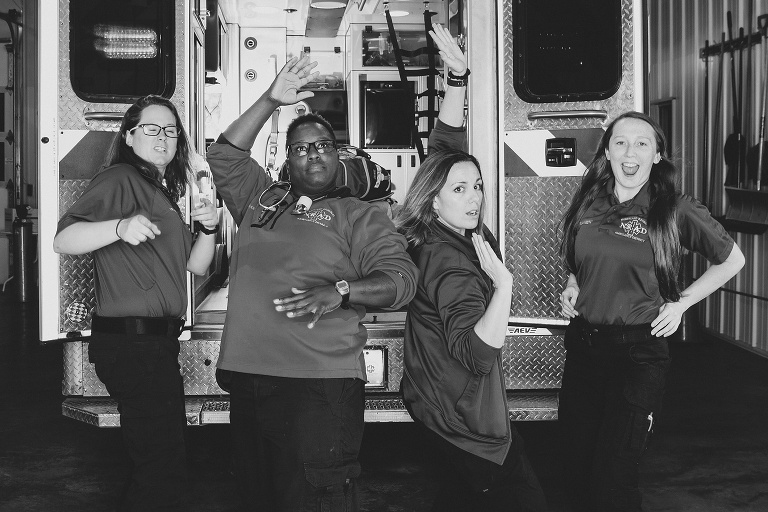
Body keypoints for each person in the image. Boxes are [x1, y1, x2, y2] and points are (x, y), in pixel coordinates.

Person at [205, 55, 418, 511]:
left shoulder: (358, 214)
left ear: (337, 153)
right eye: (300, 148)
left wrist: (340, 290)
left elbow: (400, 280)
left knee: (316, 500)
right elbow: (223, 155)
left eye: (322, 145)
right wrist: (269, 100)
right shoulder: (261, 199)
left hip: (318, 386)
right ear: (288, 159)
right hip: (249, 378)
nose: (313, 153)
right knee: (256, 498)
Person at [558, 111, 746, 511]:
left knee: (615, 474)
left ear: (657, 155)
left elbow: (733, 260)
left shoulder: (674, 209)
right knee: (573, 469)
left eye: (642, 144)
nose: (631, 153)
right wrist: (573, 283)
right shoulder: (589, 200)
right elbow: (577, 260)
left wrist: (681, 302)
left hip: (637, 355)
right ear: (607, 152)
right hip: (584, 349)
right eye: (621, 143)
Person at [395, 24, 548, 512]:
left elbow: (444, 150)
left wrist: (457, 79)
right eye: (460, 190)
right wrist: (504, 287)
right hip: (467, 424)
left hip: (437, 403)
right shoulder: (451, 262)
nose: (475, 197)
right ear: (433, 200)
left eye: (477, 185)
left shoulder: (445, 231)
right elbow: (477, 354)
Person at [53, 95, 219, 511]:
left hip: (155, 346)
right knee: (162, 466)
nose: (163, 137)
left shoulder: (159, 192)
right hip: (133, 346)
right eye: (151, 128)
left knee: (162, 461)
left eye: (170, 130)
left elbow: (196, 266)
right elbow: (63, 240)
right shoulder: (120, 178)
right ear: (129, 135)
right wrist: (119, 227)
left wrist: (209, 228)